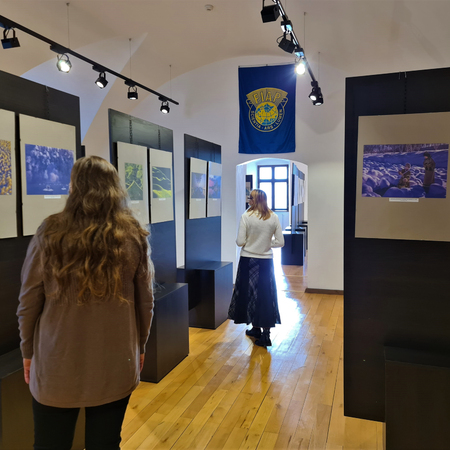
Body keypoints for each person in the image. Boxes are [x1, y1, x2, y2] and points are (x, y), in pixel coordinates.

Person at [17, 155, 154, 450]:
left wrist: (27, 350)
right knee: (105, 444)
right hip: (116, 360)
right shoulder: (132, 234)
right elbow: (146, 302)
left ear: (73, 187)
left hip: (57, 362)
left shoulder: (50, 232)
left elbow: (28, 302)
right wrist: (140, 345)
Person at [228, 189, 284, 347]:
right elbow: (280, 242)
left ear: (256, 200)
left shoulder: (246, 216)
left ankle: (257, 329)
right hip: (266, 261)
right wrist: (266, 243)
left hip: (248, 260)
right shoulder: (273, 217)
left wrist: (252, 243)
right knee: (265, 295)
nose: (248, 200)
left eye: (250, 198)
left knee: (250, 294)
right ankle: (263, 332)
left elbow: (240, 242)